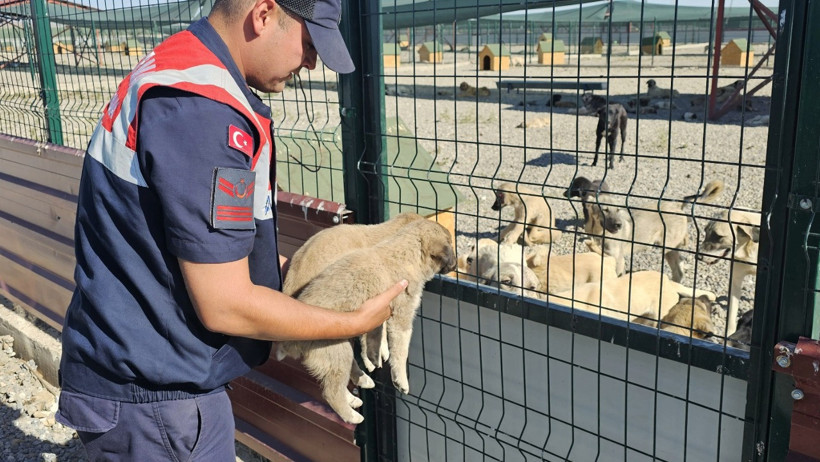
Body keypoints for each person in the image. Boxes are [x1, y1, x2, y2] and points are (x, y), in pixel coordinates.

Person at [55, 0, 406, 459]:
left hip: (142, 374)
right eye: (308, 41)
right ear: (262, 15)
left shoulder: (181, 67)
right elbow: (225, 304)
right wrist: (352, 322)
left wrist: (318, 278)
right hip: (156, 401)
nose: (312, 61)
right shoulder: (202, 112)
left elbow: (202, 248)